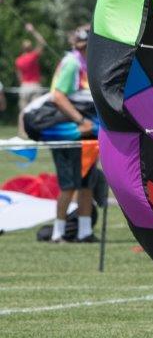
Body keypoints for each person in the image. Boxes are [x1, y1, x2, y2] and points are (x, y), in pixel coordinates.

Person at [49, 26, 96, 243]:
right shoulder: (72, 63)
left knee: (87, 183)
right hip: (68, 131)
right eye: (84, 46)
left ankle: (84, 232)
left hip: (87, 133)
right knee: (68, 184)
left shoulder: (90, 65)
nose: (87, 49)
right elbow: (57, 96)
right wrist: (80, 120)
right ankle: (58, 232)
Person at [15, 22, 47, 110]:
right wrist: (33, 31)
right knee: (35, 111)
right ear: (31, 47)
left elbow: (19, 76)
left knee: (23, 112)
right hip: (35, 86)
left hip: (24, 86)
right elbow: (42, 42)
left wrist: (23, 85)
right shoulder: (33, 56)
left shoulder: (18, 60)